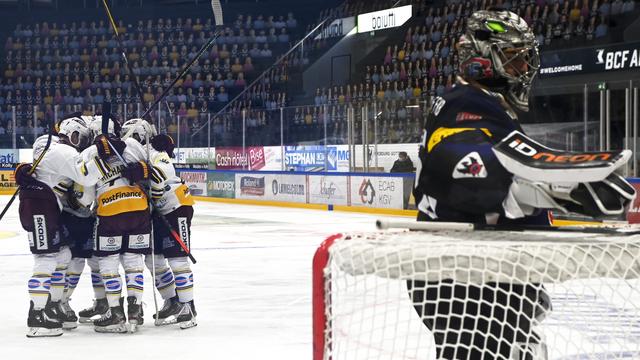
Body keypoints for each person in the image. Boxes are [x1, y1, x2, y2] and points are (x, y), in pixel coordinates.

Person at [411, 9, 634, 360]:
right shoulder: (464, 104)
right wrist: (542, 189)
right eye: (514, 59)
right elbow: (452, 164)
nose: (524, 70)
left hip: (478, 276)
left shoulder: (482, 106)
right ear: (480, 62)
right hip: (465, 280)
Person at [14, 114, 92, 337]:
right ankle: (36, 316)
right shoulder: (61, 149)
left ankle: (51, 306)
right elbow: (85, 177)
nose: (79, 141)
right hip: (40, 205)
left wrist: (24, 168)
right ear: (67, 132)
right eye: (77, 136)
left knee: (63, 255)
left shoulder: (50, 145)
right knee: (46, 259)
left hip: (46, 205)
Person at [120, 119, 197, 329]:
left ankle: (188, 307)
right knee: (153, 259)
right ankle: (172, 301)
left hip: (176, 207)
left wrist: (145, 172)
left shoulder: (156, 151)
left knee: (178, 260)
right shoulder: (138, 155)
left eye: (131, 135)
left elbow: (163, 175)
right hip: (159, 211)